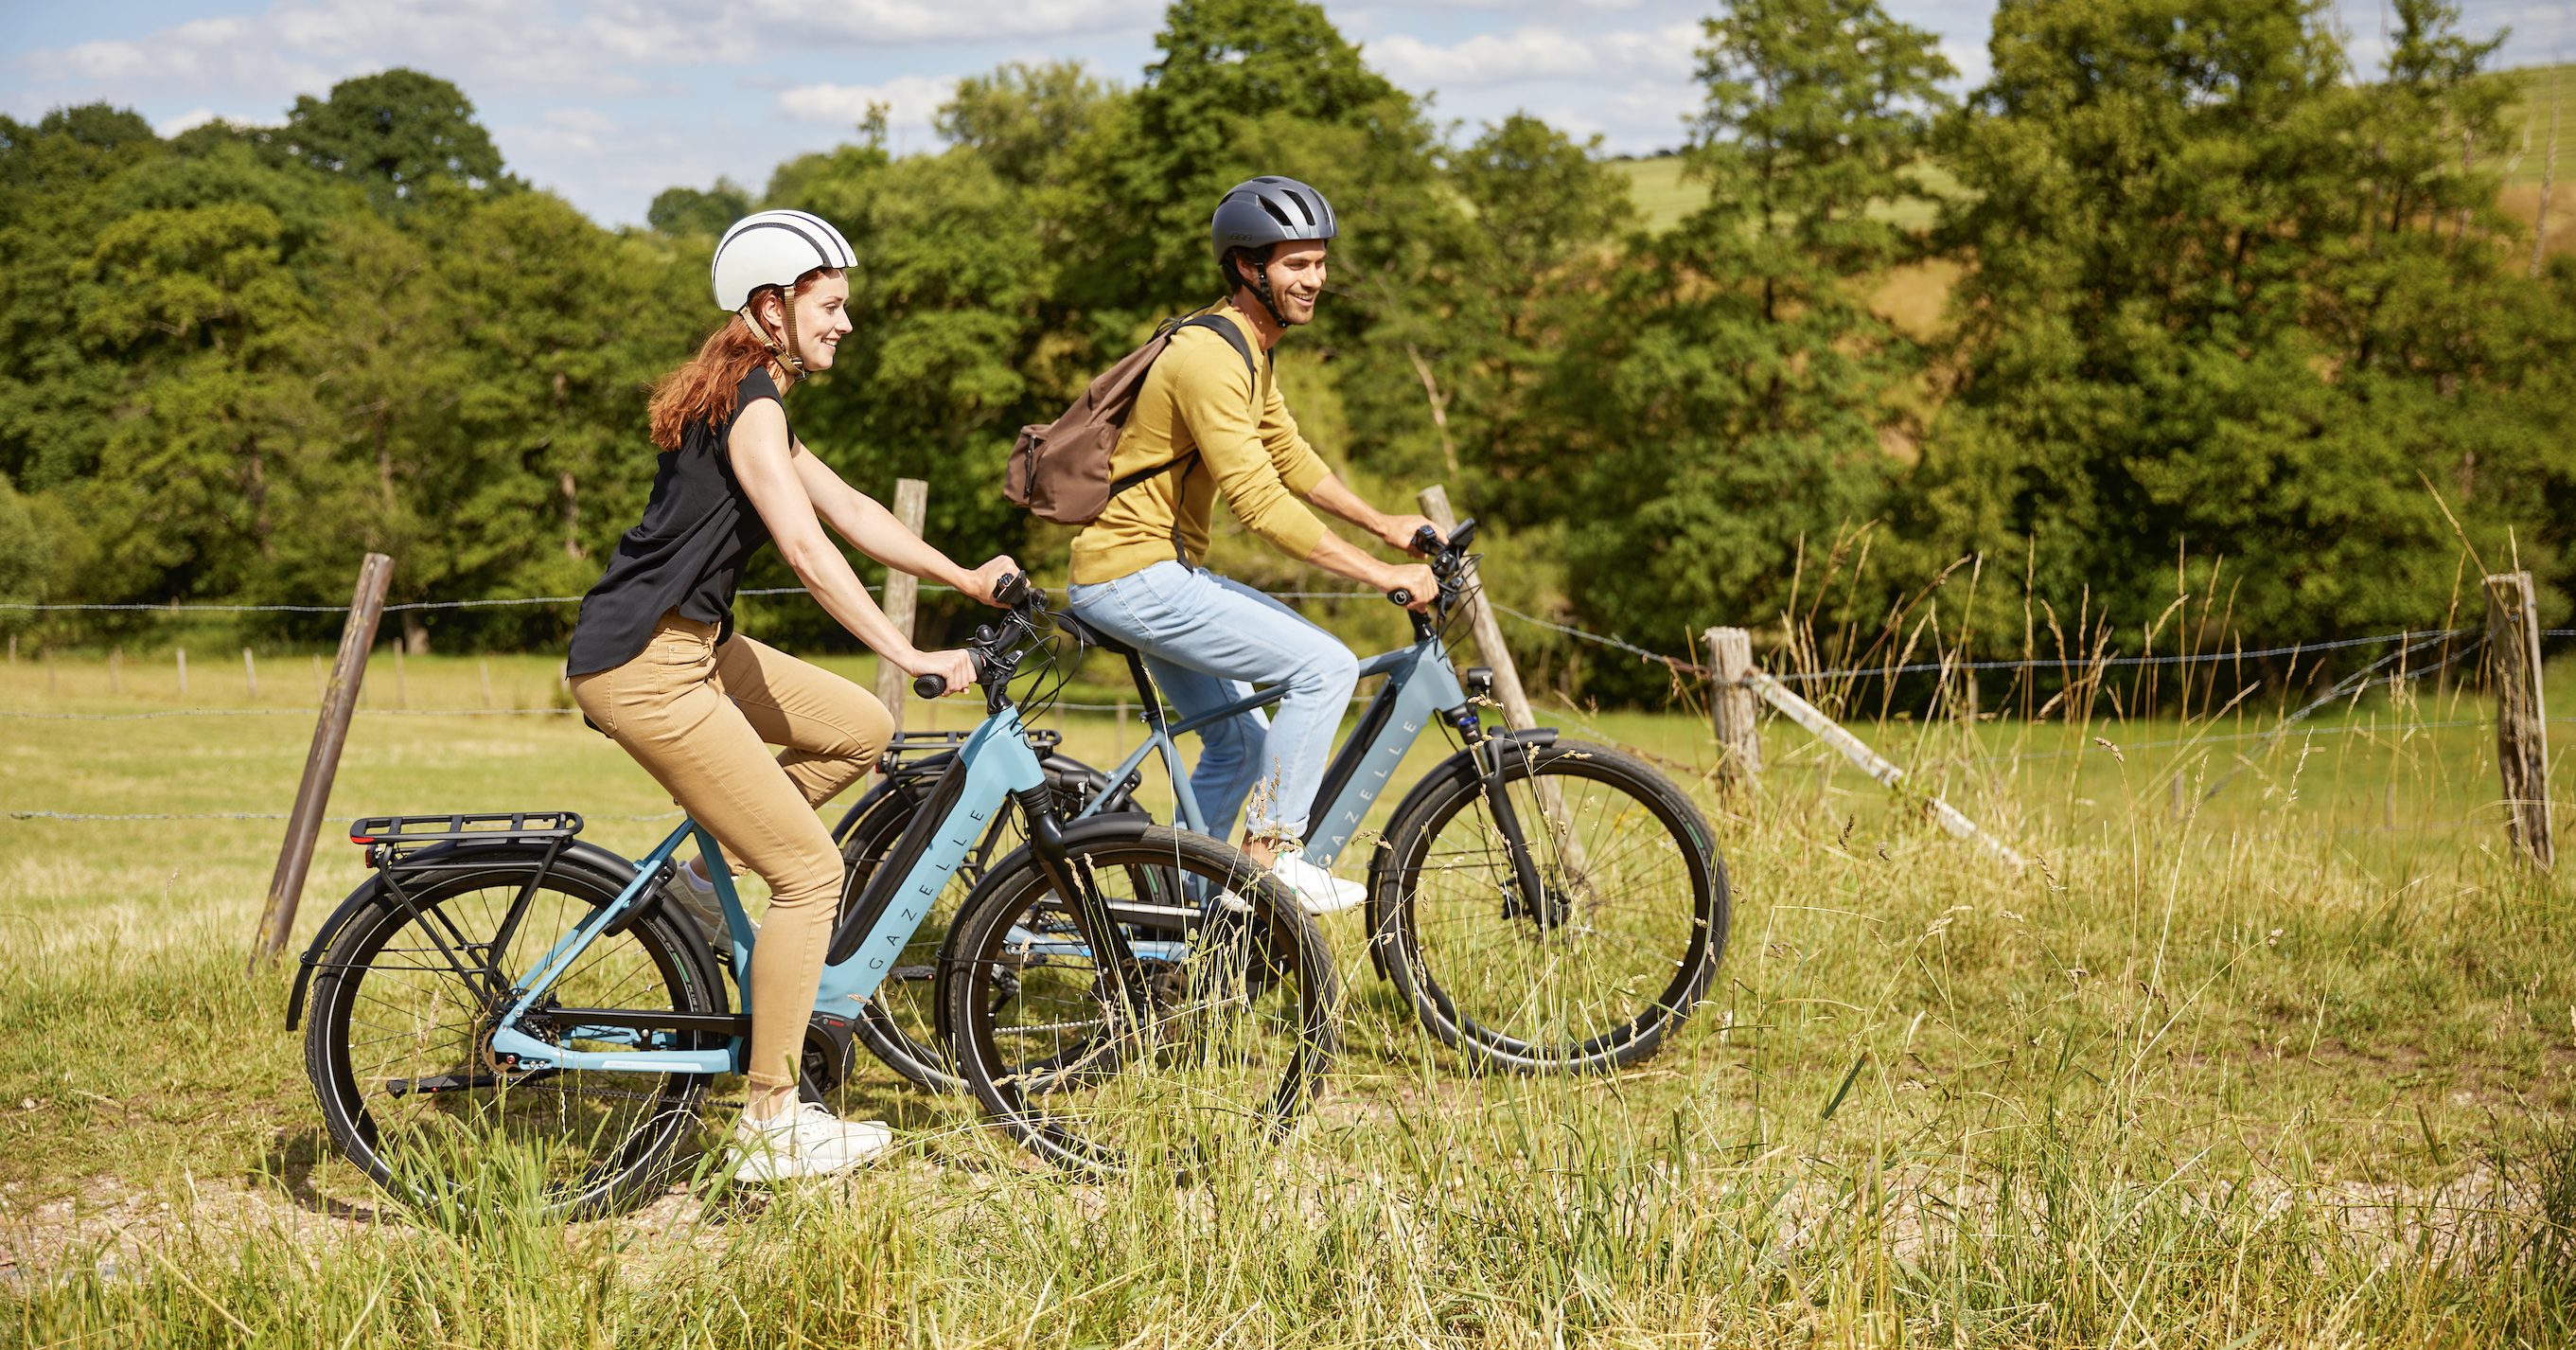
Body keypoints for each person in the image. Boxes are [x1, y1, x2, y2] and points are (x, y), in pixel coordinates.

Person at [565, 208, 1017, 1182]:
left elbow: (849, 511)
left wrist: (965, 579)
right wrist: (911, 648)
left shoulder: (750, 389)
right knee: (811, 874)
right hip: (647, 665)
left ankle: (697, 884)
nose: (846, 322)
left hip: (691, 647)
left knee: (861, 724)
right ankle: (771, 1116)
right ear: (770, 307)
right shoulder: (752, 404)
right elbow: (810, 553)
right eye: (830, 304)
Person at [1065, 177, 1440, 914]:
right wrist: (1376, 573)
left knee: (1239, 745)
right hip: (1134, 577)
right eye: (1297, 264)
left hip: (1152, 573)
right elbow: (1260, 500)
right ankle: (1270, 859)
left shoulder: (1245, 345)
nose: (1317, 279)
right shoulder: (1210, 357)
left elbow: (1289, 455)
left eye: (1321, 262)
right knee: (1324, 665)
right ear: (1248, 268)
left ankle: (1178, 913)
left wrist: (1383, 524)